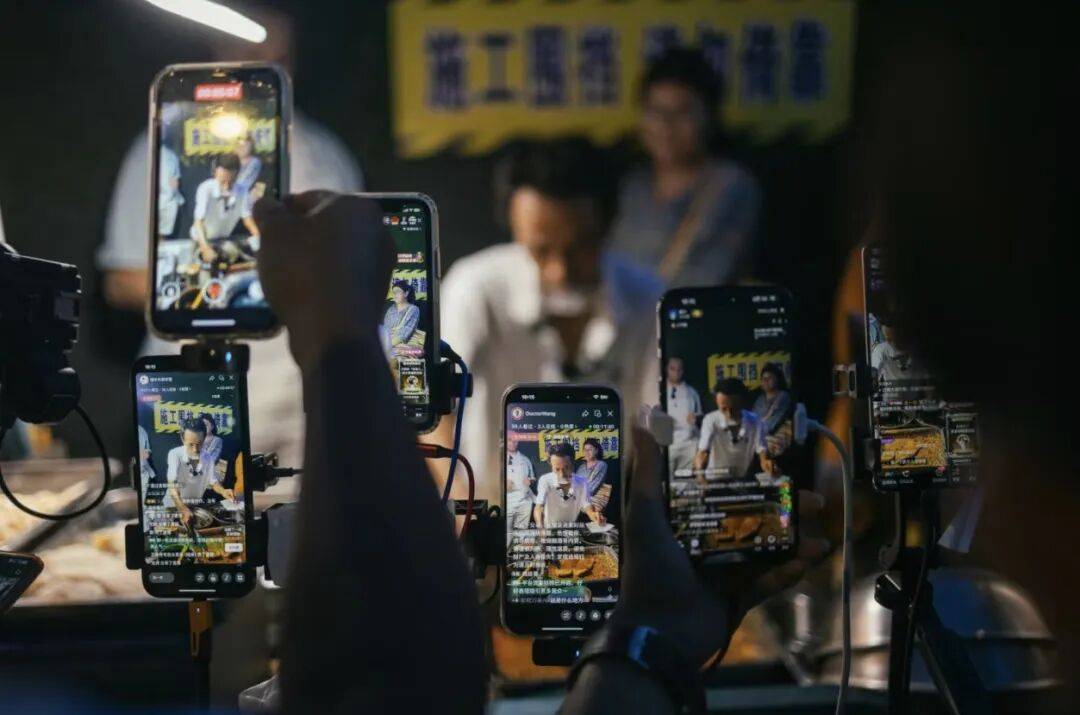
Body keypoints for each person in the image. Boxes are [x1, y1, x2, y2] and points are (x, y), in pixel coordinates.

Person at [94, 6, 363, 470]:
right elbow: (121, 280)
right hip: (191, 392)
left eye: (280, 56)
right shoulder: (163, 147)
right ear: (219, 48)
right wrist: (210, 285)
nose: (263, 67)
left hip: (302, 407)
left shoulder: (326, 154)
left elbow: (356, 278)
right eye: (249, 50)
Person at [437, 138, 663, 505]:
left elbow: (654, 431)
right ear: (514, 226)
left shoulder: (647, 299)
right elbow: (433, 409)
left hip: (605, 514)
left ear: (608, 226)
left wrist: (644, 515)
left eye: (580, 248)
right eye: (540, 250)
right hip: (489, 508)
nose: (560, 271)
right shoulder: (475, 287)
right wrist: (461, 502)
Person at [608, 47, 760, 287]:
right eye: (655, 111)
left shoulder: (731, 186)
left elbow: (709, 278)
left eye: (682, 112)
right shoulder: (635, 185)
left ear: (710, 117)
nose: (665, 125)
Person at [165, 418, 234, 526]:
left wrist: (223, 491)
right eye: (191, 444)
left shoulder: (208, 457)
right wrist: (181, 507)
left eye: (199, 444)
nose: (195, 449)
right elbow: (172, 484)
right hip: (173, 505)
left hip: (194, 507)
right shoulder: (175, 454)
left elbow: (213, 481)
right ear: (182, 439)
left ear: (204, 438)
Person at [694, 378, 766, 480]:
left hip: (742, 480)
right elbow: (703, 452)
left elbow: (762, 451)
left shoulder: (755, 420)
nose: (729, 414)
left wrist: (767, 463)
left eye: (734, 408)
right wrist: (701, 477)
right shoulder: (710, 420)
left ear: (742, 402)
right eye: (723, 409)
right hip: (715, 480)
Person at [533, 442, 604, 528]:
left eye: (566, 468)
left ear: (573, 463)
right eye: (557, 469)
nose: (562, 474)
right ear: (551, 465)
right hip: (549, 528)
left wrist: (593, 514)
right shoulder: (545, 480)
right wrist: (540, 527)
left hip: (571, 529)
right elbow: (539, 507)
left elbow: (586, 505)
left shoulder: (581, 482)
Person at [663, 356, 702, 477]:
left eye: (679, 369)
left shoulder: (691, 392)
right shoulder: (659, 390)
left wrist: (695, 418)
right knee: (668, 480)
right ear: (666, 369)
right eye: (672, 368)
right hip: (668, 444)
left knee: (686, 480)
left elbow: (699, 415)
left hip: (688, 443)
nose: (676, 372)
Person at [869, 313, 929, 383]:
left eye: (895, 337)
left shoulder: (918, 352)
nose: (894, 343)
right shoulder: (880, 351)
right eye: (888, 339)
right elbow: (874, 375)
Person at [505, 435, 536, 530]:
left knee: (521, 533)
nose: (513, 443)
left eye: (515, 440)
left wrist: (530, 481)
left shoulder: (525, 459)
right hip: (508, 501)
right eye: (510, 440)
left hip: (524, 501)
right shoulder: (498, 458)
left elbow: (533, 478)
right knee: (507, 533)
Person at [752, 362, 791, 435]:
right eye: (763, 378)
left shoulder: (783, 396)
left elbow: (772, 424)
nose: (765, 381)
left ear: (777, 379)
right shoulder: (760, 399)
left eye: (769, 378)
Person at [383, 280, 420, 351]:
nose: (395, 295)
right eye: (394, 292)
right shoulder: (391, 310)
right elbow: (386, 330)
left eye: (398, 292)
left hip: (402, 350)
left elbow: (404, 333)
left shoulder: (413, 309)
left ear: (406, 293)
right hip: (389, 347)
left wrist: (386, 346)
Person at [158, 145, 184, 237]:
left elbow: (175, 180)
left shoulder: (171, 156)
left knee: (161, 235)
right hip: (164, 201)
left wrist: (177, 198)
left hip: (168, 202)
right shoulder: (172, 156)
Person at [234, 133, 263, 199]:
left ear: (251, 147)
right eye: (239, 145)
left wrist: (257, 198)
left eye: (245, 145)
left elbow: (262, 182)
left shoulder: (256, 163)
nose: (241, 148)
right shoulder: (233, 164)